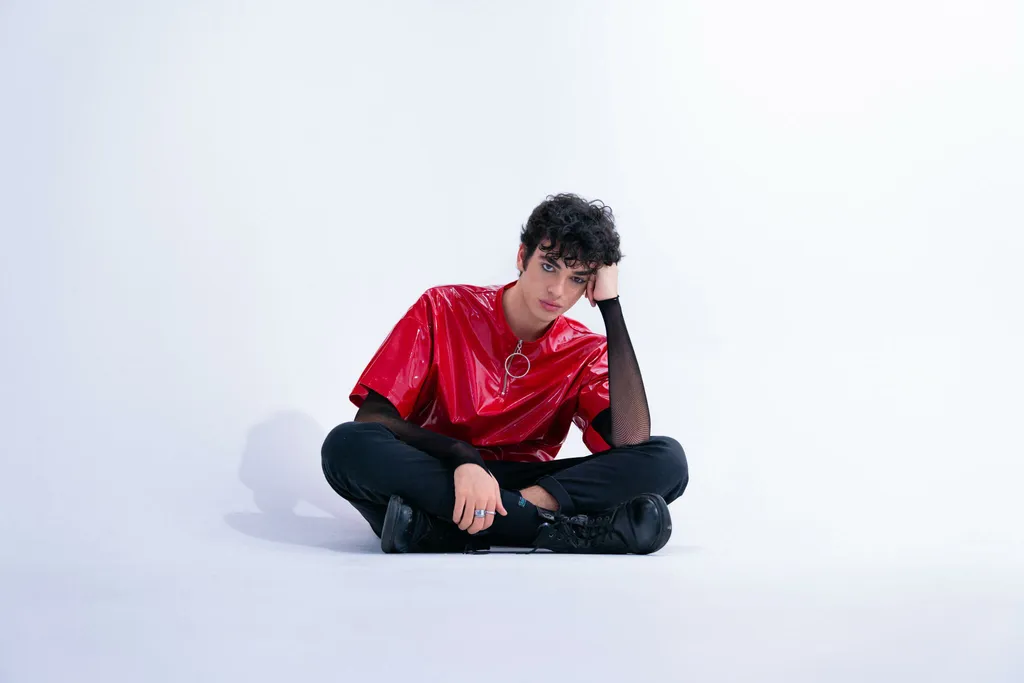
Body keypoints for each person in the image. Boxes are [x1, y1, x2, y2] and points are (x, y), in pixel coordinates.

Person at [321, 193, 688, 554]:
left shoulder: (583, 350)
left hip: (529, 483)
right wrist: (462, 455)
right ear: (522, 256)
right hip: (441, 473)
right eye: (548, 266)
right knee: (346, 445)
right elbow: (372, 417)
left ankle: (449, 529)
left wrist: (611, 307)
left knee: (668, 460)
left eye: (577, 278)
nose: (557, 290)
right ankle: (555, 529)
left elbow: (631, 441)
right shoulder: (443, 307)